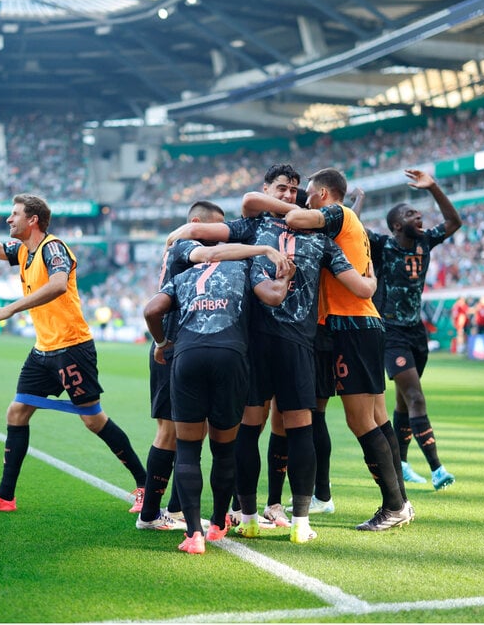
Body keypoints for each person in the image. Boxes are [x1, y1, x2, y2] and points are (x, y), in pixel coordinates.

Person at [169, 164, 379, 542]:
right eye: (280, 189)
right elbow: (363, 289)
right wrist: (371, 275)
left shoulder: (267, 230)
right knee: (272, 430)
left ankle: (273, 519)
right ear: (268, 189)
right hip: (280, 344)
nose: (287, 196)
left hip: (275, 344)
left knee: (276, 430)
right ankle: (274, 520)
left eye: (292, 191)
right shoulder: (295, 235)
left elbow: (207, 233)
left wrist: (184, 232)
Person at [0, 185, 147, 512]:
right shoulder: (23, 250)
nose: (8, 218)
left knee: (93, 420)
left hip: (71, 347)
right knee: (17, 412)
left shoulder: (54, 249)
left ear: (33, 220)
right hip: (43, 350)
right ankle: (5, 496)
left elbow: (56, 286)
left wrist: (11, 308)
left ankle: (143, 483)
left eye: (15, 214)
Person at [137, 200, 291, 531]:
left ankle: (176, 510)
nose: (221, 238)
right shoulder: (188, 247)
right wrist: (260, 247)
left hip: (184, 343)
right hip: (176, 342)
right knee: (171, 433)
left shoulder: (194, 254)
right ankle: (149, 513)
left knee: (189, 434)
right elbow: (209, 256)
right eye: (215, 230)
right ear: (198, 224)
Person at [283, 167, 413, 531]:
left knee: (360, 420)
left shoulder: (338, 214)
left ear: (324, 194)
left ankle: (393, 507)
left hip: (350, 323)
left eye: (308, 193)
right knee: (378, 418)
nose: (304, 199)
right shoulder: (347, 223)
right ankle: (401, 501)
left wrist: (286, 208)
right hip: (365, 323)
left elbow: (295, 217)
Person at [365, 169, 462, 490]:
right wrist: (358, 202)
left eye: (417, 212)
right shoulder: (383, 246)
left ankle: (402, 463)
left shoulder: (424, 242)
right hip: (391, 334)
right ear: (396, 225)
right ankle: (437, 469)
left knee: (405, 403)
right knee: (416, 397)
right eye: (410, 214)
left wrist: (433, 187)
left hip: (416, 333)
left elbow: (453, 222)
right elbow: (351, 229)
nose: (418, 215)